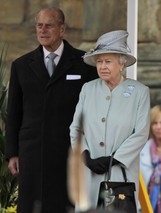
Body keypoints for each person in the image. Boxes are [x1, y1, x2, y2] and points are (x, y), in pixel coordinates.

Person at [4, 7, 98, 213]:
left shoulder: (85, 64)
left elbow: (93, 112)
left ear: (62, 29)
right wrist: (12, 154)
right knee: (31, 205)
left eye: (49, 25)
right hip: (32, 153)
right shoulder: (21, 65)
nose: (43, 30)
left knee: (65, 205)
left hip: (69, 151)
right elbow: (14, 113)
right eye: (39, 25)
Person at [69, 30, 150, 211]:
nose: (102, 66)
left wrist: (114, 159)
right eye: (99, 62)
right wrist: (85, 155)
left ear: (121, 64)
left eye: (108, 61)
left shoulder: (139, 91)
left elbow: (141, 133)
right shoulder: (87, 89)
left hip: (120, 172)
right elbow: (76, 128)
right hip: (88, 170)